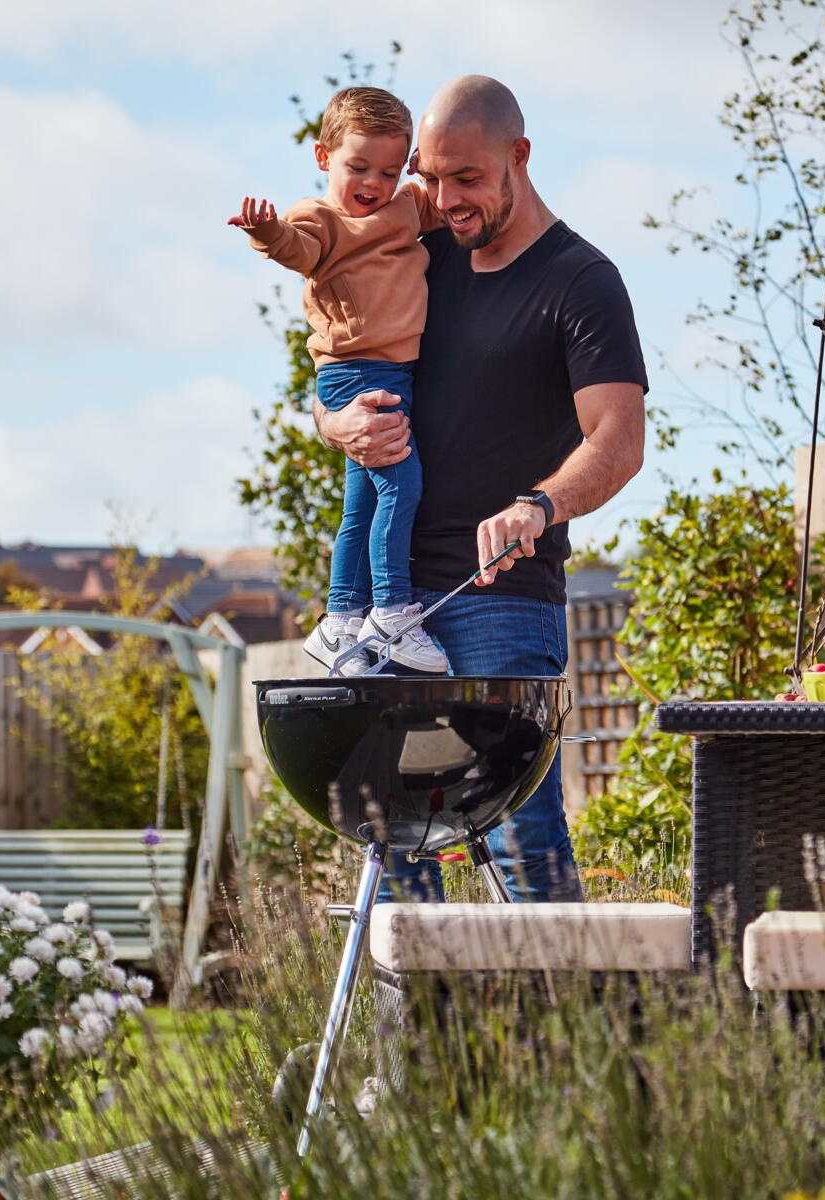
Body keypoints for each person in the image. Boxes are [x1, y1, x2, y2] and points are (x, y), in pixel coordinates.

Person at [313, 76, 648, 903]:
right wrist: (334, 427)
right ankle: (422, 1036)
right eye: (429, 176)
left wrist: (540, 505)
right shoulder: (418, 257)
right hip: (390, 607)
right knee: (391, 838)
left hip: (503, 596)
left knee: (523, 837)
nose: (442, 198)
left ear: (518, 158)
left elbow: (619, 440)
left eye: (465, 177)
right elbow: (336, 378)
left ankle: (561, 1030)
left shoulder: (581, 280)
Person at [229, 86, 450, 676]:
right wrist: (267, 230)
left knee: (362, 505)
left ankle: (340, 619)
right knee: (402, 486)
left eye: (388, 169)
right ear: (324, 156)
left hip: (393, 372)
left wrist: (431, 163)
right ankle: (392, 611)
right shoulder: (320, 218)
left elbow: (439, 195)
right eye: (358, 167)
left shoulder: (402, 207)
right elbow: (297, 250)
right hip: (353, 375)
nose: (372, 183)